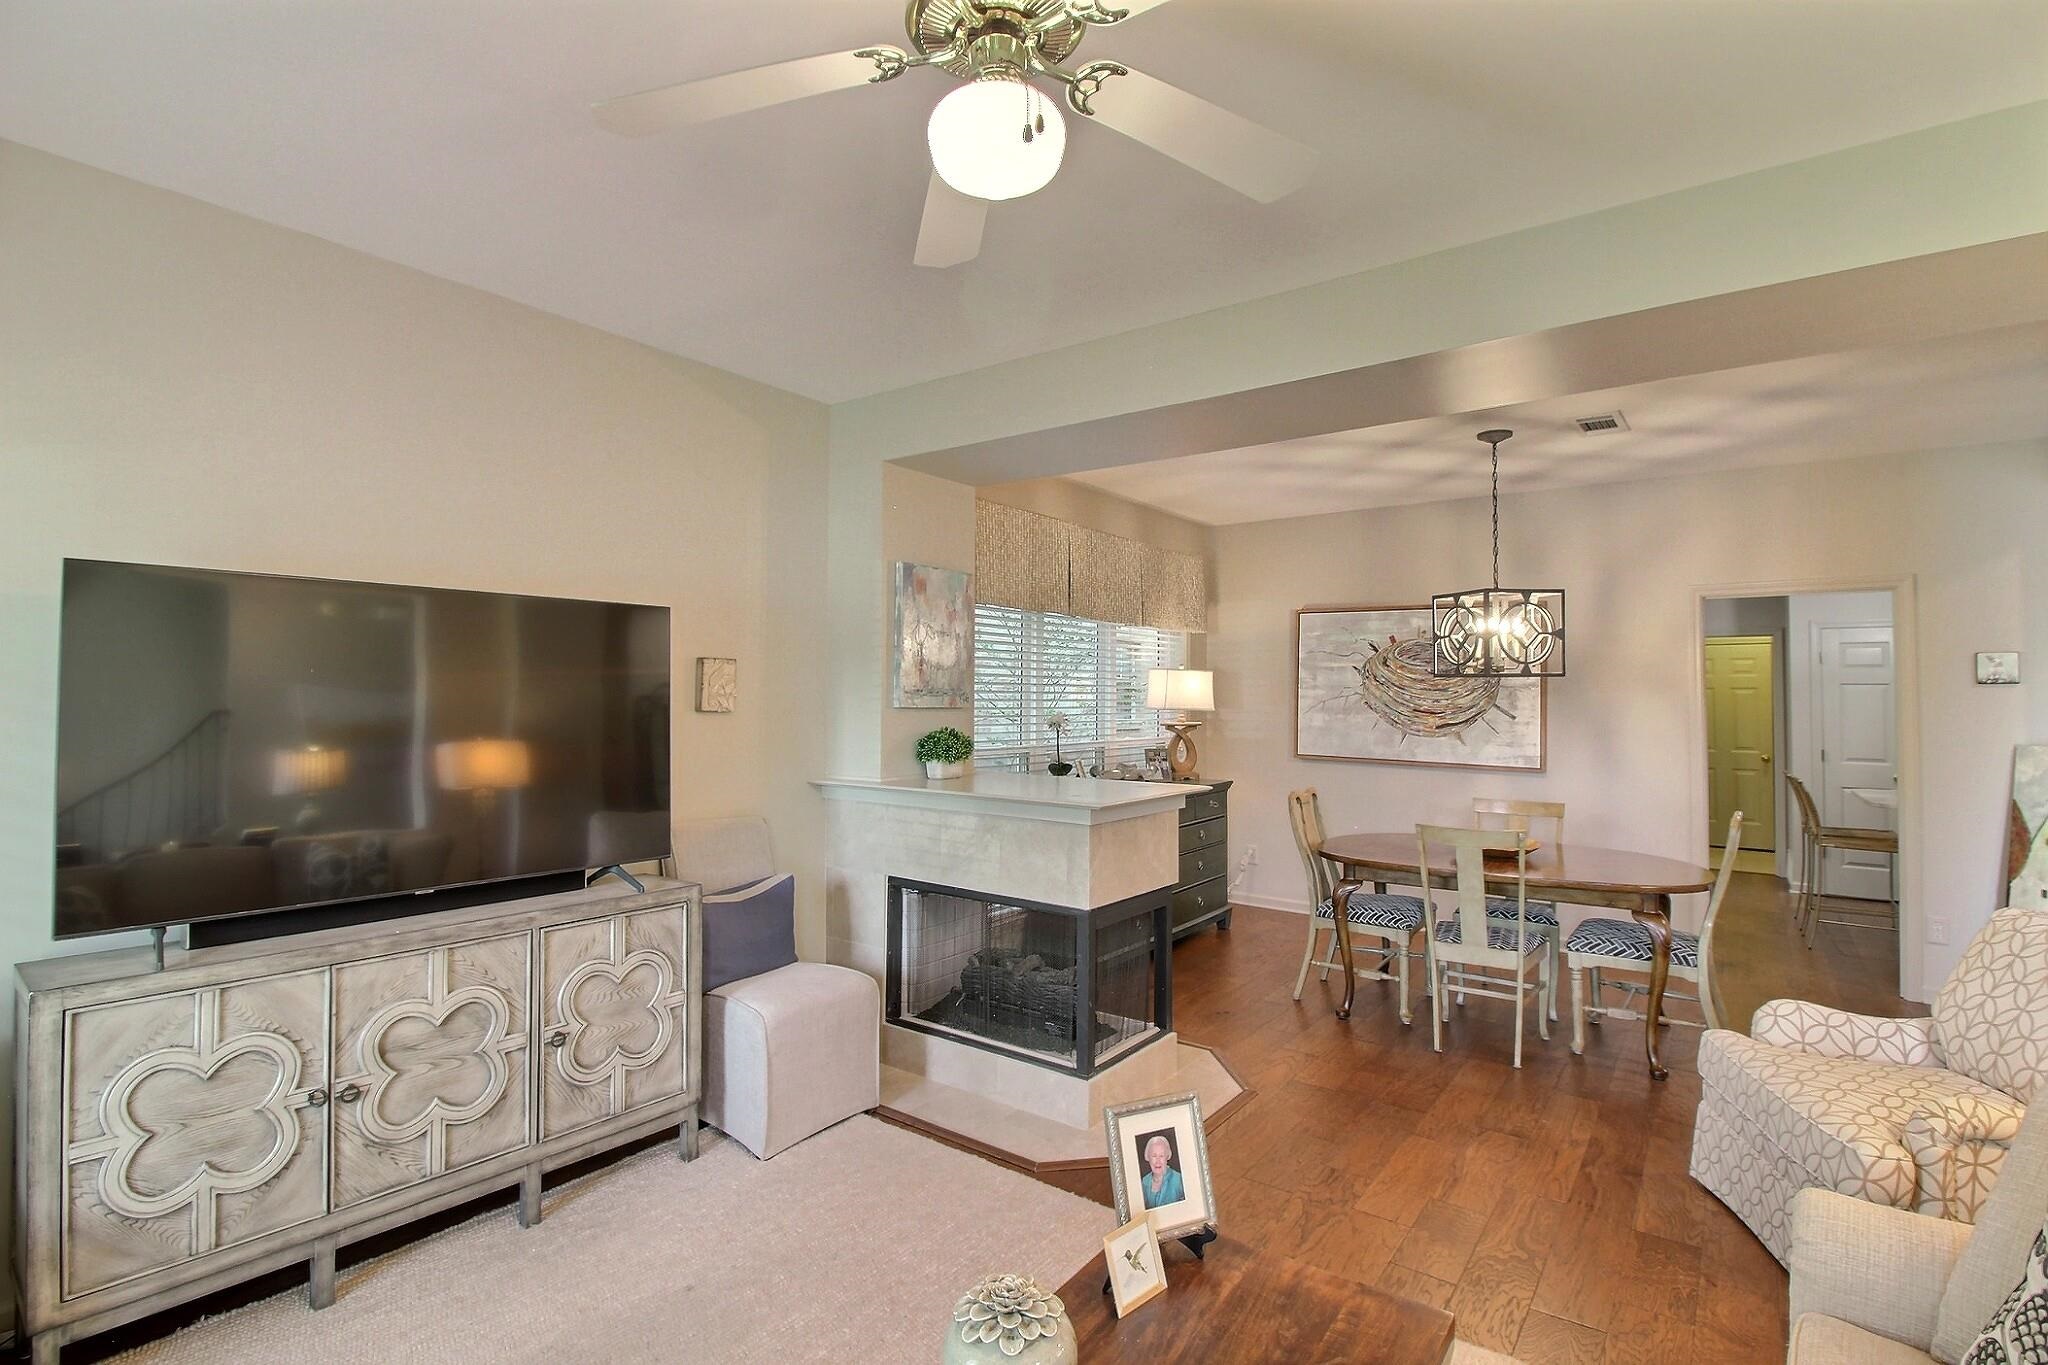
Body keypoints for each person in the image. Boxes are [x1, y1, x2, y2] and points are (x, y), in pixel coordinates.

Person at [1139, 1134, 1184, 1209]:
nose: (1158, 1161)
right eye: (1154, 1156)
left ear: (1167, 1157)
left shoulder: (1179, 1179)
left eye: (1161, 1156)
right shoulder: (1144, 1181)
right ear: (1148, 1157)